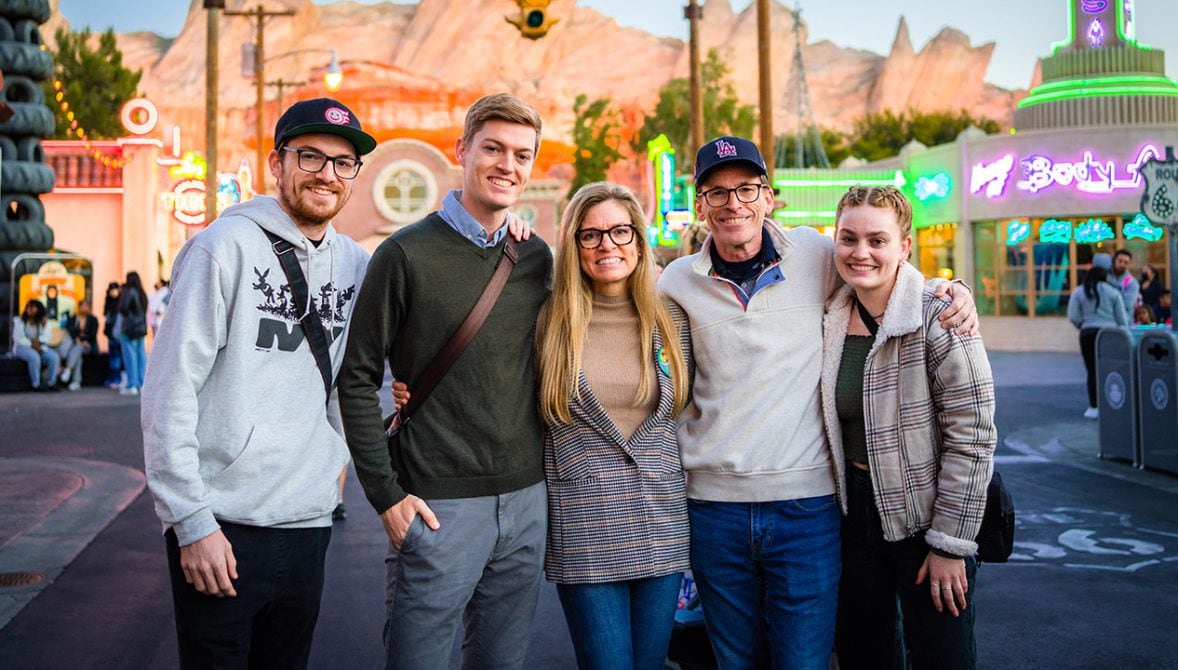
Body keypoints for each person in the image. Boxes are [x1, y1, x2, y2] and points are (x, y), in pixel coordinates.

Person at [656, 136, 978, 669]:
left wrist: (950, 290)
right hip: (713, 509)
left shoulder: (815, 255)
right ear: (700, 205)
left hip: (807, 507)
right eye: (716, 193)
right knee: (736, 661)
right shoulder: (675, 281)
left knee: (804, 660)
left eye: (746, 189)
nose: (733, 203)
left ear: (769, 197)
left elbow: (883, 266)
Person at [142, 97, 375, 669]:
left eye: (343, 163)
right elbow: (169, 389)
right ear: (278, 164)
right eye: (311, 157)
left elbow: (356, 380)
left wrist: (333, 467)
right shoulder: (222, 248)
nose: (327, 173)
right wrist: (190, 522)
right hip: (222, 524)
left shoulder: (355, 264)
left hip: (308, 524)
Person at [338, 93, 552, 670]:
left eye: (522, 154)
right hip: (438, 505)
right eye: (494, 148)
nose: (508, 164)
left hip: (528, 500)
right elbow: (356, 379)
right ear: (462, 150)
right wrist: (385, 496)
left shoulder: (537, 261)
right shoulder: (403, 255)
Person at [821, 186, 996, 670]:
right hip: (851, 518)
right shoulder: (830, 317)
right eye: (848, 238)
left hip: (927, 517)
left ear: (905, 246)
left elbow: (973, 436)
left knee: (942, 656)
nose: (861, 253)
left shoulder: (940, 315)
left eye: (878, 240)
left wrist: (949, 544)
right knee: (864, 655)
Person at [538, 183, 691, 670]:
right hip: (584, 528)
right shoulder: (548, 322)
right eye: (592, 235)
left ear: (640, 241)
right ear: (575, 245)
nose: (608, 245)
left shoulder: (671, 319)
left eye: (621, 231)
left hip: (661, 525)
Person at [1067, 253, 1127, 420]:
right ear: (1108, 271)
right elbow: (1122, 320)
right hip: (1109, 335)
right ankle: (1112, 403)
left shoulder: (1079, 291)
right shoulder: (1113, 292)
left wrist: (1083, 325)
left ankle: (1094, 406)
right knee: (1110, 370)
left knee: (1092, 370)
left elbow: (1073, 316)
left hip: (1088, 334)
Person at [12, 299, 60, 391]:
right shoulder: (19, 320)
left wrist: (39, 341)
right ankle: (36, 384)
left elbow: (47, 337)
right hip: (22, 348)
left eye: (32, 307)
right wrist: (32, 344)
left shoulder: (43, 322)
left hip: (39, 347)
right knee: (34, 356)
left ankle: (51, 383)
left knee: (54, 356)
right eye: (28, 307)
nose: (29, 309)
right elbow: (18, 339)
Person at [116, 271, 148, 396]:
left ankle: (132, 384)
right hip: (141, 328)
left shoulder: (128, 292)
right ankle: (142, 384)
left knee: (130, 358)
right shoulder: (142, 293)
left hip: (129, 329)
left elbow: (122, 308)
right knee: (141, 357)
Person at [59, 298, 99, 391]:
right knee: (78, 355)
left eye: (86, 306)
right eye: (82, 306)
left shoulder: (93, 319)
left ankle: (68, 370)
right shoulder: (73, 319)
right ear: (79, 307)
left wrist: (84, 340)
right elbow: (71, 332)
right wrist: (77, 339)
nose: (84, 308)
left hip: (88, 345)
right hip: (75, 345)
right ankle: (76, 382)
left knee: (79, 347)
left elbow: (93, 334)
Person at [102, 281, 124, 390]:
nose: (113, 292)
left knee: (117, 359)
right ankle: (114, 379)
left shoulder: (120, 303)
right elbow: (107, 318)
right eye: (112, 290)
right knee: (113, 359)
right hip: (111, 334)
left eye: (115, 290)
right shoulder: (109, 302)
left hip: (117, 334)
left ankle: (117, 380)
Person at [1108, 249, 1139, 323]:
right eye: (1120, 261)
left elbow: (1128, 305)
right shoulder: (1105, 276)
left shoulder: (1132, 282)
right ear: (1114, 260)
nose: (1122, 265)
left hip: (1123, 324)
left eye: (1126, 262)